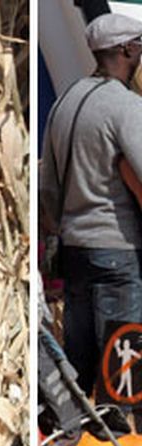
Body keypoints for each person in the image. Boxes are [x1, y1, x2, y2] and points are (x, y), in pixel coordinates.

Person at [40, 12, 142, 398]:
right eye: (140, 48)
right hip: (117, 247)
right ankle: (120, 442)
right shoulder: (125, 106)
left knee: (81, 362)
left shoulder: (65, 102)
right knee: (123, 362)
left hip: (74, 250)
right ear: (126, 48)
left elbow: (48, 187)